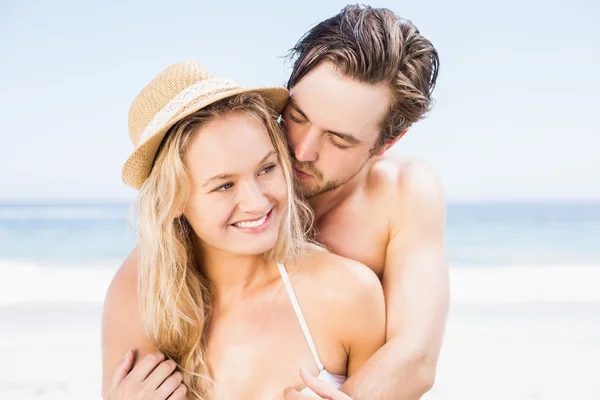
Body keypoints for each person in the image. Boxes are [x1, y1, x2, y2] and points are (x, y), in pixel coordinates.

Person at [113, 4, 449, 400]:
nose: (301, 150)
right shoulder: (243, 159)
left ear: (385, 144)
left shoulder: (402, 193)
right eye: (297, 116)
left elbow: (415, 357)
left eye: (339, 140)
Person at [101, 61, 385, 400]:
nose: (256, 202)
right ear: (173, 200)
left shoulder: (348, 293)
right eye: (224, 186)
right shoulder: (141, 300)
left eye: (266, 168)